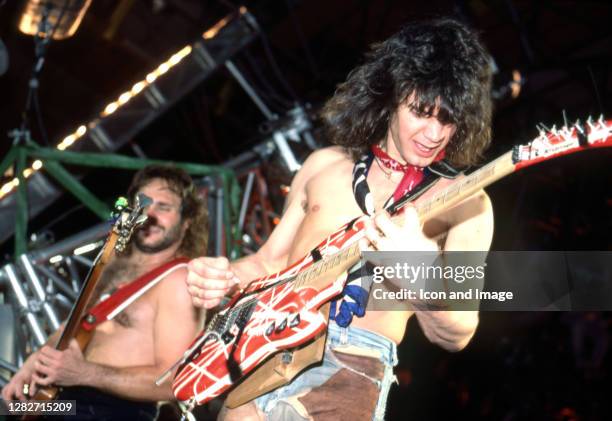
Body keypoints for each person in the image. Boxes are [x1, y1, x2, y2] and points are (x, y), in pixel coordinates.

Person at [186, 17, 494, 421]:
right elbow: (269, 263)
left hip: (353, 365)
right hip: (269, 345)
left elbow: (458, 331)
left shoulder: (466, 202)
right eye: (421, 112)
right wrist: (223, 277)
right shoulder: (322, 165)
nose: (434, 133)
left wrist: (420, 275)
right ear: (391, 95)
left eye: (448, 120)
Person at [2, 165, 208, 420]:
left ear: (187, 222)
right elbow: (75, 325)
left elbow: (176, 380)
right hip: (66, 401)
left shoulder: (180, 279)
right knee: (8, 410)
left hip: (114, 410)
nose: (149, 214)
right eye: (142, 204)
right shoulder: (114, 264)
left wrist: (86, 373)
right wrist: (33, 363)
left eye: (163, 207)